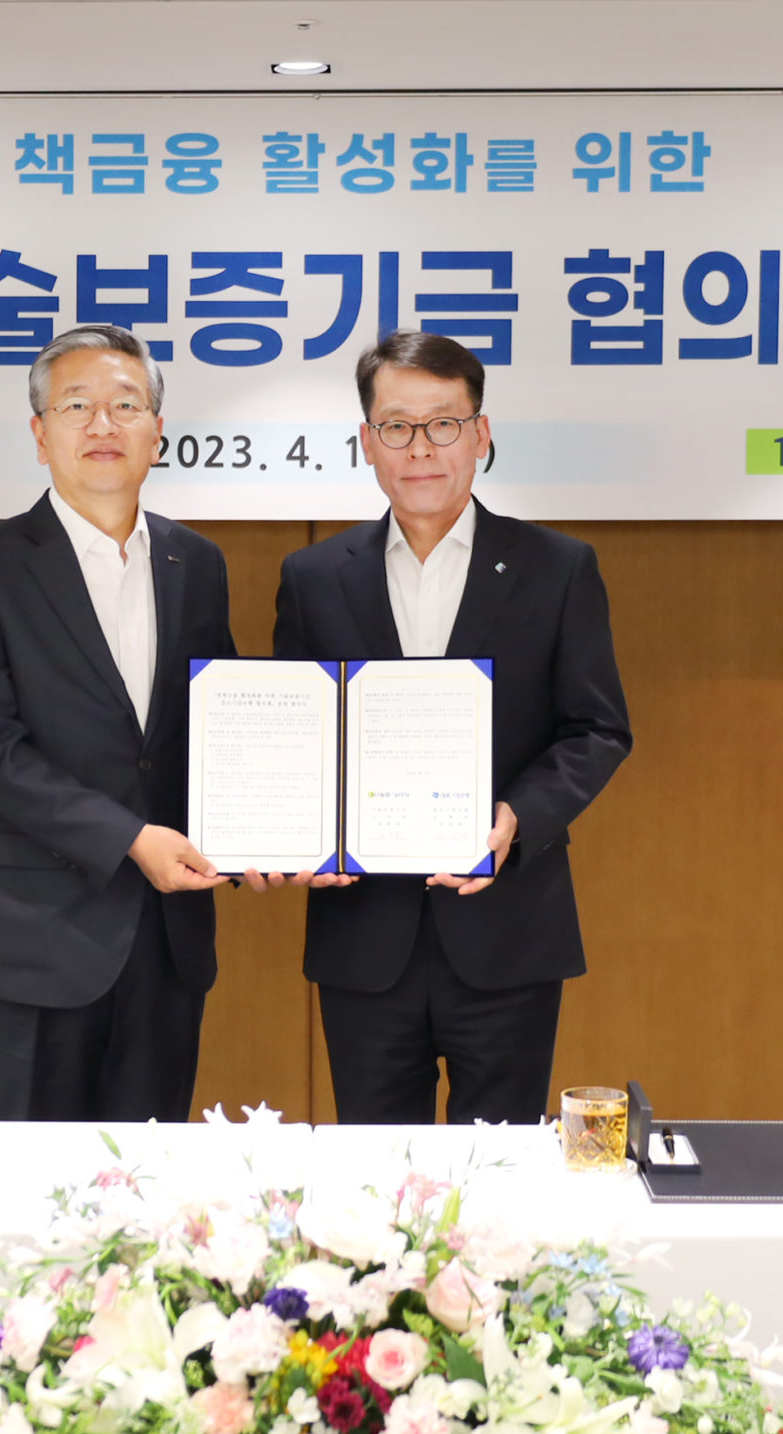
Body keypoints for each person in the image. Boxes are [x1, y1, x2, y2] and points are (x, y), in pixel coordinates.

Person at [259, 330, 632, 1126]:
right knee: (373, 1174)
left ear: (481, 434)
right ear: (367, 441)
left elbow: (596, 727)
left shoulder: (557, 567)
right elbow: (295, 738)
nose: (420, 447)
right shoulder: (314, 576)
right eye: (396, 426)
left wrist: (515, 819)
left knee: (497, 1171)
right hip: (363, 937)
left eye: (443, 423)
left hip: (508, 932)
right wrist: (296, 833)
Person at [0, 324, 234, 1122]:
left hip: (167, 940)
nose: (103, 424)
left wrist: (259, 838)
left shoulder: (197, 564)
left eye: (126, 405)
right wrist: (131, 839)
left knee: (150, 1176)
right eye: (76, 406)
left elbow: (220, 729)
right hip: (34, 939)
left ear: (157, 431)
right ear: (40, 434)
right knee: (32, 1183)